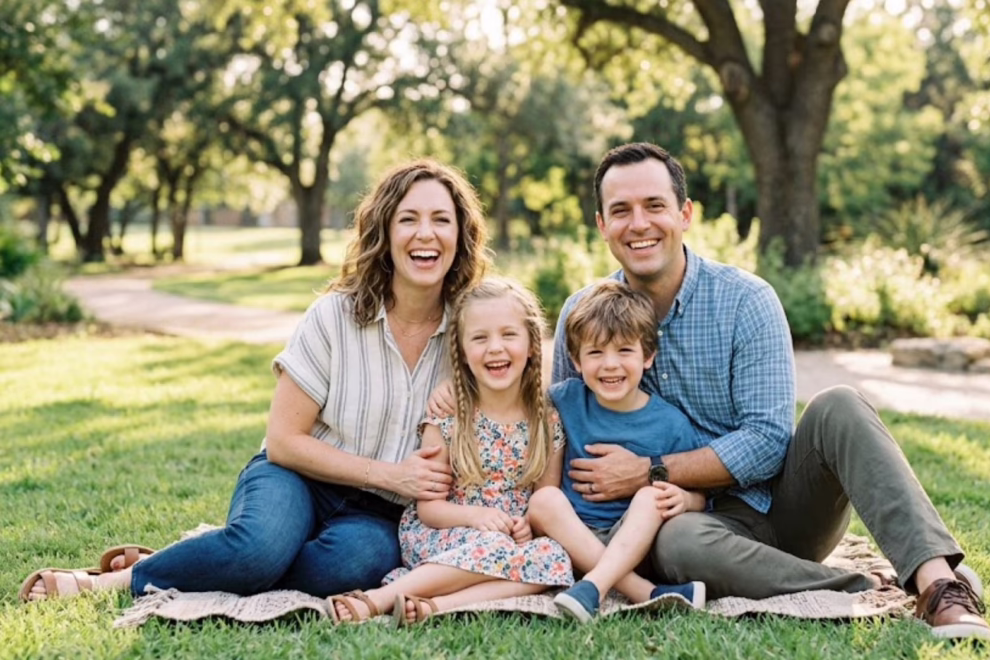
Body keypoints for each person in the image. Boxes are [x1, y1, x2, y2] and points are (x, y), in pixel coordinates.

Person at [549, 142, 990, 641]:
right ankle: (874, 585)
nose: (639, 224)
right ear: (601, 225)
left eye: (654, 206)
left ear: (685, 213)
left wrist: (648, 471)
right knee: (679, 544)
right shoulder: (584, 316)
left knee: (838, 405)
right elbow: (555, 427)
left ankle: (940, 585)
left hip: (782, 505)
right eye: (621, 211)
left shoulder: (747, 301)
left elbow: (767, 441)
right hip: (682, 529)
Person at [19, 158, 491, 602]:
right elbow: (284, 441)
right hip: (296, 478)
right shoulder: (335, 316)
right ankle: (112, 581)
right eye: (408, 219)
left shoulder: (474, 334)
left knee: (349, 568)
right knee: (257, 551)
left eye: (440, 220)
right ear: (385, 232)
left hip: (381, 513)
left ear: (460, 235)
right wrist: (390, 474)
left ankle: (193, 559)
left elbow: (522, 398)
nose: (424, 234)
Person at [330, 276, 573, 626]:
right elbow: (429, 509)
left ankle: (434, 607)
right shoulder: (448, 418)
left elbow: (544, 499)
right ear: (460, 350)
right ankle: (376, 600)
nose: (495, 348)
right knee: (495, 548)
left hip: (509, 541)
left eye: (508, 335)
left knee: (553, 557)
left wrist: (524, 526)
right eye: (479, 338)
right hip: (445, 533)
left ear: (533, 344)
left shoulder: (547, 423)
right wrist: (477, 518)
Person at [528, 279, 707, 623]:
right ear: (576, 360)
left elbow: (701, 497)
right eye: (595, 352)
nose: (610, 364)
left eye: (625, 351)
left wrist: (685, 500)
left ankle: (594, 585)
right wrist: (449, 390)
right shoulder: (563, 400)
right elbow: (509, 399)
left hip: (634, 545)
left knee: (650, 496)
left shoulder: (671, 424)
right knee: (543, 499)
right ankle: (645, 594)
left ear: (648, 356)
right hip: (570, 538)